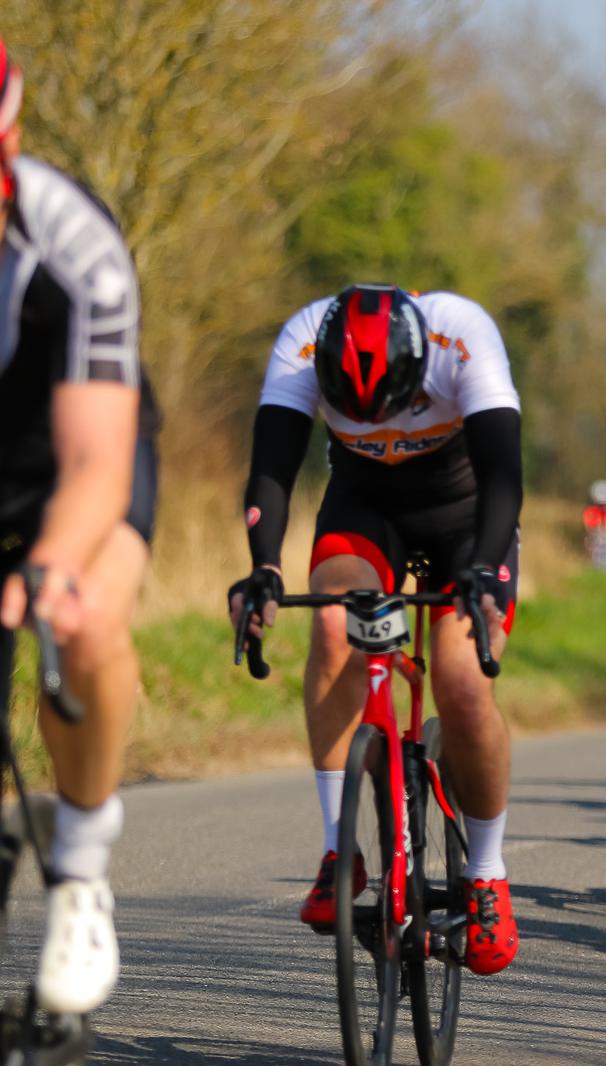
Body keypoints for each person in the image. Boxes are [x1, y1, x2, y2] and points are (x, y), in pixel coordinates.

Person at [229, 284, 523, 975]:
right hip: (365, 509)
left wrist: (482, 568)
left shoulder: (462, 334)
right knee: (335, 628)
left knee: (460, 681)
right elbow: (270, 469)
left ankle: (486, 872)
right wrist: (264, 567)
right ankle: (341, 851)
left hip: (466, 515)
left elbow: (506, 474)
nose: (378, 422)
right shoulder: (302, 342)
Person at [0, 36, 159, 1014]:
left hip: (73, 457)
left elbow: (99, 465)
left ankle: (82, 868)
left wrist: (49, 562)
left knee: (84, 615)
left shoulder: (73, 243)